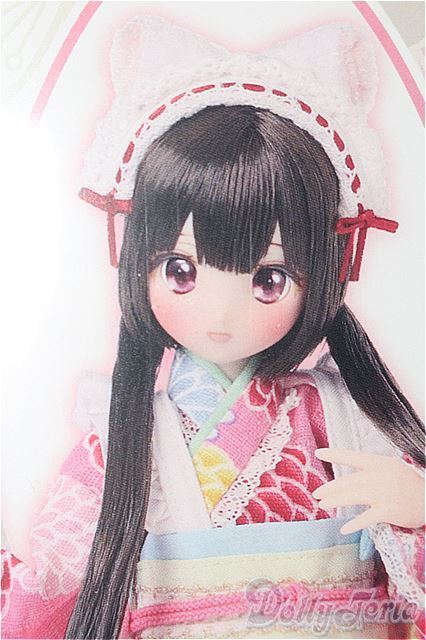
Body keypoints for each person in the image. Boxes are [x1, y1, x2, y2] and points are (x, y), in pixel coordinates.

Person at [2, 16, 424, 640]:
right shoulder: (121, 441)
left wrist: (418, 510)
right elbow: (52, 582)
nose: (221, 314)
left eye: (269, 279)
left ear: (328, 271)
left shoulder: (341, 419)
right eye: (181, 271)